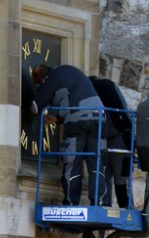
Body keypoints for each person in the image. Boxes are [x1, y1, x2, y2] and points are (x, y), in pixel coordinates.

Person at [31, 64, 106, 205]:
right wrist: (57, 117)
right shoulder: (69, 72)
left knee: (72, 161)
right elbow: (69, 100)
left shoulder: (52, 78)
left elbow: (36, 106)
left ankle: (71, 201)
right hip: (100, 118)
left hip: (77, 120)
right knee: (96, 161)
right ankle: (99, 201)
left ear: (42, 78)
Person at [90, 76, 132, 209]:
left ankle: (120, 208)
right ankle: (124, 208)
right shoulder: (108, 86)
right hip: (120, 138)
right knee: (116, 179)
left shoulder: (98, 88)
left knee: (115, 179)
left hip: (118, 138)